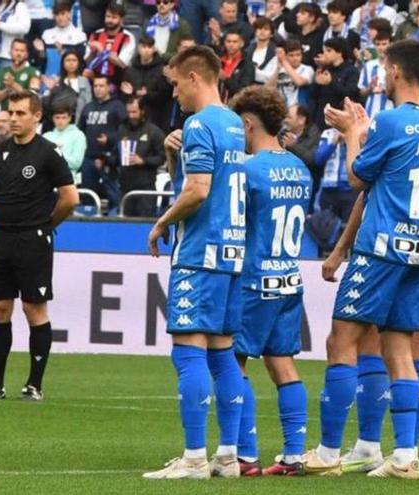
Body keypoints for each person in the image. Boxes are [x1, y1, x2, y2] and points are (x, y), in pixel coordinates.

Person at [301, 40, 419, 479]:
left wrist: (353, 134)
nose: (383, 78)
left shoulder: (392, 121)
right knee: (400, 347)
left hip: (383, 247)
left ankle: (328, 452)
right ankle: (405, 455)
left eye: (385, 70)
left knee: (341, 341)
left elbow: (355, 177)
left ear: (397, 72)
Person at [142, 45, 247, 480]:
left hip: (200, 254)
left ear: (193, 78)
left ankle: (192, 457)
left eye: (174, 84)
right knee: (223, 353)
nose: (174, 95)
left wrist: (161, 222)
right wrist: (173, 158)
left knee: (188, 352)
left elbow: (199, 189)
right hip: (231, 255)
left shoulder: (200, 123)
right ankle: (227, 455)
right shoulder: (235, 124)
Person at [227, 84, 312, 477]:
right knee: (283, 364)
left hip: (254, 276)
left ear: (247, 123)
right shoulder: (299, 168)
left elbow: (233, 222)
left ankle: (244, 455)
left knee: (233, 361)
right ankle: (294, 455)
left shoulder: (246, 170)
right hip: (288, 277)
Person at [0, 91, 78, 400]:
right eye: (11, 113)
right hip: (0, 237)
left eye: (20, 113)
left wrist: (44, 225)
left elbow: (70, 198)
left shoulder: (48, 153)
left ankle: (34, 385)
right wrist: (7, 216)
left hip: (33, 240)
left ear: (36, 117)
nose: (14, 119)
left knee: (34, 308)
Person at [109, 97, 165, 217]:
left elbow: (162, 157)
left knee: (144, 224)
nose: (131, 116)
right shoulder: (122, 129)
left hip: (145, 188)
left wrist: (143, 161)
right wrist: (109, 160)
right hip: (125, 187)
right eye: (128, 112)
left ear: (142, 111)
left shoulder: (153, 132)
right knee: (124, 225)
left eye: (134, 112)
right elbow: (115, 153)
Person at [79, 75, 126, 214]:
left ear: (109, 88)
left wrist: (110, 139)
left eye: (101, 86)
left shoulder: (117, 106)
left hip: (109, 158)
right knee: (88, 194)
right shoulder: (88, 107)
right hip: (89, 157)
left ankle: (115, 218)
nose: (98, 89)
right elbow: (80, 130)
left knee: (113, 195)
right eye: (95, 86)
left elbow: (126, 130)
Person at [120, 35, 172, 130]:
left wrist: (146, 94)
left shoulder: (162, 69)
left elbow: (165, 95)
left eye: (149, 47)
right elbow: (124, 94)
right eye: (143, 47)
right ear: (138, 48)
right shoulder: (130, 70)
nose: (146, 50)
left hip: (156, 117)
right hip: (133, 119)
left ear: (154, 49)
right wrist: (133, 93)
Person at [311, 38, 359, 129]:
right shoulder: (325, 69)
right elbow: (314, 95)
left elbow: (350, 94)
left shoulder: (351, 71)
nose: (325, 54)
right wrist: (317, 82)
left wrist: (331, 82)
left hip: (339, 120)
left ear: (340, 53)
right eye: (324, 51)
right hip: (321, 119)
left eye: (329, 51)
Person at [84, 3, 136, 88]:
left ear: (121, 20)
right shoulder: (96, 34)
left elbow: (122, 63)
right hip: (96, 81)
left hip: (117, 82)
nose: (110, 20)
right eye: (108, 16)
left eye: (114, 17)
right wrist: (92, 52)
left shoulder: (128, 37)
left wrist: (103, 51)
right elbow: (87, 60)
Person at [41, 50, 92, 129]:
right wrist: (50, 89)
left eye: (74, 60)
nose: (71, 63)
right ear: (63, 63)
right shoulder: (56, 81)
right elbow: (47, 103)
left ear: (78, 63)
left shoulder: (83, 81)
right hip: (57, 123)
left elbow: (88, 102)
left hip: (77, 122)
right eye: (68, 60)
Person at [35, 2, 87, 76]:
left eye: (62, 14)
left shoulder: (79, 35)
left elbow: (81, 62)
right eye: (57, 15)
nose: (60, 18)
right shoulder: (46, 34)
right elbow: (42, 61)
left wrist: (62, 53)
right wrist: (41, 51)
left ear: (69, 14)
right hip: (49, 77)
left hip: (70, 78)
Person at [43, 103, 86, 184]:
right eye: (57, 117)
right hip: (46, 181)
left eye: (64, 117)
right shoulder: (46, 136)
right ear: (53, 118)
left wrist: (56, 154)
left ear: (69, 118)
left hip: (68, 181)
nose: (60, 121)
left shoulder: (78, 135)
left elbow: (76, 163)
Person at [264, 39, 314, 108]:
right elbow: (267, 89)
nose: (295, 58)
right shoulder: (279, 68)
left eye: (298, 55)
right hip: (279, 108)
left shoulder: (307, 69)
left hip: (297, 109)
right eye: (291, 55)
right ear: (286, 55)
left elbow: (299, 82)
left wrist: (284, 62)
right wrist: (278, 69)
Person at [0, 39, 40, 110]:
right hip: (5, 113)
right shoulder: (2, 72)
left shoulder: (34, 72)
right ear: (10, 52)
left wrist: (13, 85)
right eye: (16, 50)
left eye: (22, 51)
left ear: (27, 54)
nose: (18, 53)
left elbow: (33, 97)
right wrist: (7, 89)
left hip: (24, 113)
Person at [357, 31, 394, 120]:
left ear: (391, 45)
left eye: (384, 44)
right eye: (378, 44)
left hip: (390, 112)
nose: (381, 48)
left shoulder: (396, 66)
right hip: (370, 113)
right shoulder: (369, 66)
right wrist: (370, 88)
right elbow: (361, 92)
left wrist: (386, 90)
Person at [219, 29, 255, 102]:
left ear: (241, 44)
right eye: (228, 41)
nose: (231, 44)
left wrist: (225, 79)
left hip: (236, 106)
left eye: (235, 42)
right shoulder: (218, 61)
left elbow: (244, 90)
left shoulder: (247, 64)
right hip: (217, 104)